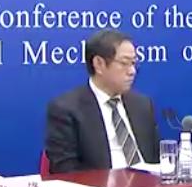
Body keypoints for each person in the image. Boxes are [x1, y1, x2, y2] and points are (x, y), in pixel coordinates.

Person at [45, 29, 159, 174]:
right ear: (99, 64)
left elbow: (157, 159)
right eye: (124, 63)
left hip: (148, 185)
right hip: (101, 186)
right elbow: (66, 171)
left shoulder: (142, 105)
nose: (132, 71)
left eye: (133, 63)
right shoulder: (66, 110)